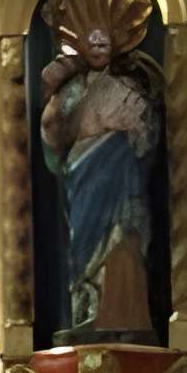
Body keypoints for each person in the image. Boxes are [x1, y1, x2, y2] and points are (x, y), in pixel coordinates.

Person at [39, 18, 161, 341]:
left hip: (122, 181)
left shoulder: (127, 87)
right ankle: (87, 315)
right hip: (82, 177)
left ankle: (125, 317)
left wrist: (126, 136)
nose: (97, 49)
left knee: (123, 241)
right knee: (83, 253)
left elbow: (147, 136)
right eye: (91, 44)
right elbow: (52, 132)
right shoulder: (74, 89)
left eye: (103, 43)